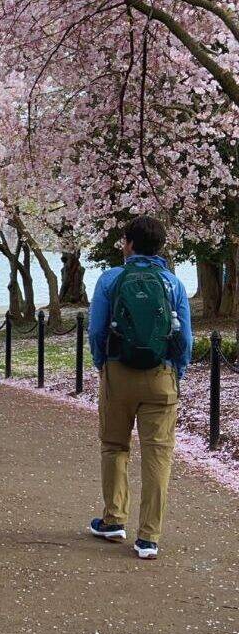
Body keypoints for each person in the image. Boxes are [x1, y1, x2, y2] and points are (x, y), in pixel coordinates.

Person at [87, 215, 192, 561]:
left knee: (114, 446)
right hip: (160, 377)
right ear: (160, 247)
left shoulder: (111, 279)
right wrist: (177, 372)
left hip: (119, 372)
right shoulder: (172, 283)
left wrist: (103, 363)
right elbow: (185, 339)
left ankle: (114, 519)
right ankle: (148, 537)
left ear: (128, 244)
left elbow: (97, 331)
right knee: (157, 456)